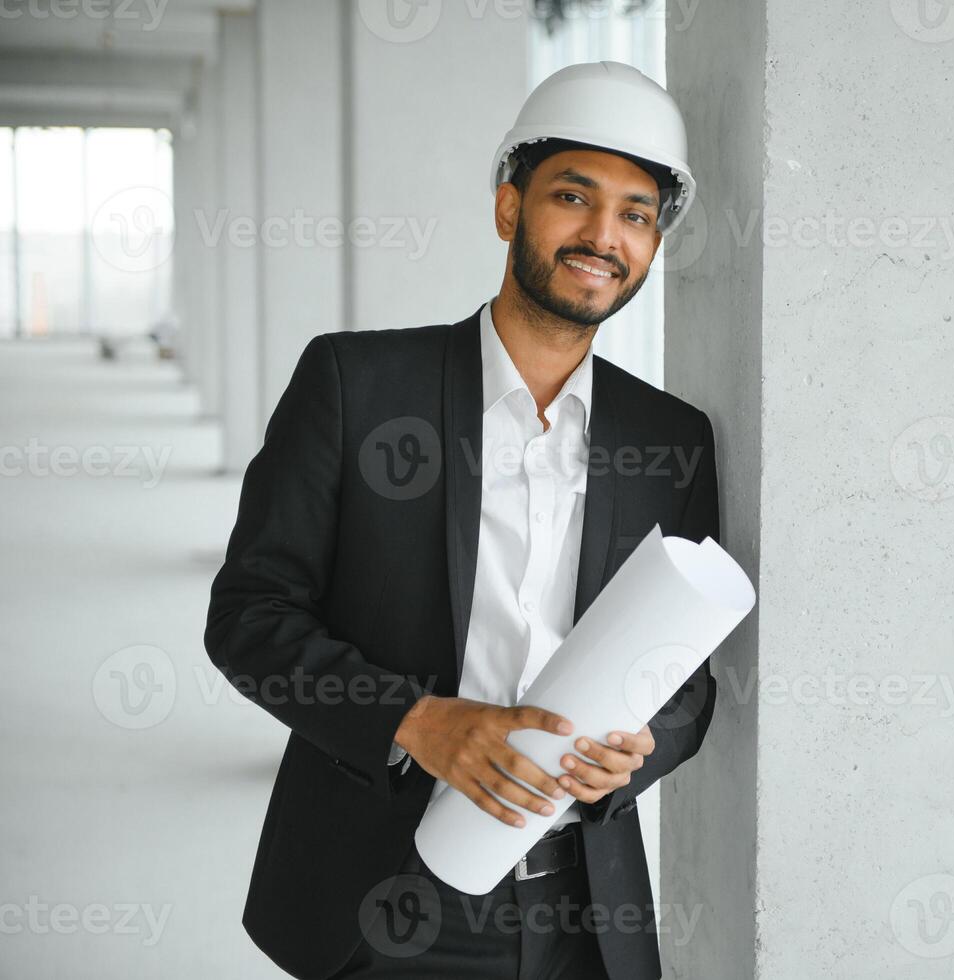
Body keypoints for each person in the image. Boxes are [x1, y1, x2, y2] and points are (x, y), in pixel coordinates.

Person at [203, 61, 720, 980]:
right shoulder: (355, 387)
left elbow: (687, 683)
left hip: (580, 911)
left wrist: (638, 757)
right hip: (387, 894)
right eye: (573, 196)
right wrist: (415, 721)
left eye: (636, 214)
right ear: (509, 208)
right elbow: (250, 617)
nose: (604, 235)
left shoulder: (670, 438)